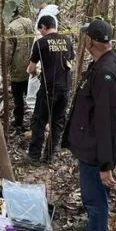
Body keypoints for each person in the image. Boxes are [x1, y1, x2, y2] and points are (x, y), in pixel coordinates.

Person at [61, 19, 116, 231]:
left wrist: (105, 164)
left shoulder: (106, 73)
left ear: (91, 41)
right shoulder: (112, 61)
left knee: (95, 201)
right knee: (97, 199)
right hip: (96, 147)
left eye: (85, 37)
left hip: (96, 153)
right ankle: (95, 230)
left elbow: (106, 121)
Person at [27, 15, 74, 164]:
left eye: (40, 29)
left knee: (39, 121)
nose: (40, 33)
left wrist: (34, 72)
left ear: (44, 27)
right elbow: (68, 62)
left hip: (48, 88)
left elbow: (31, 68)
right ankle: (49, 156)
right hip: (65, 88)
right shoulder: (67, 40)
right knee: (57, 122)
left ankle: (34, 156)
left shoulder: (41, 43)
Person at [25, 0, 60, 112]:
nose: (30, 4)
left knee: (36, 75)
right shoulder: (46, 13)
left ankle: (33, 105)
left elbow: (44, 35)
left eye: (31, 1)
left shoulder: (47, 15)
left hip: (43, 50)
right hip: (44, 49)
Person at [6, 6, 35, 130]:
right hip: (31, 65)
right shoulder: (28, 22)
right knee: (31, 94)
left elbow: (8, 51)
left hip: (17, 69)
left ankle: (18, 121)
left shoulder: (10, 28)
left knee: (18, 98)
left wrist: (5, 66)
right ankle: (35, 120)